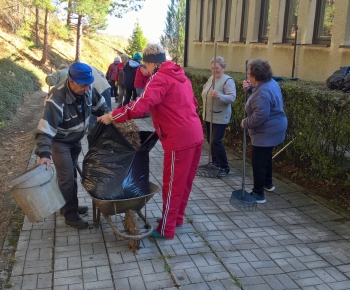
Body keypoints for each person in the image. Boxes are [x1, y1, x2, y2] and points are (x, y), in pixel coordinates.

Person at [98, 43, 204, 239]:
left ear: (152, 63)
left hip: (178, 139)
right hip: (195, 133)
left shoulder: (160, 78)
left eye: (145, 66)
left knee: (172, 185)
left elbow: (141, 106)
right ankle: (176, 218)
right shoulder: (180, 76)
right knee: (184, 182)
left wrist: (113, 115)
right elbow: (194, 104)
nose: (144, 70)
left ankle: (166, 229)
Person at [35, 62, 111, 229]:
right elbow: (45, 129)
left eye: (88, 84)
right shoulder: (56, 98)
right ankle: (71, 215)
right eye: (83, 85)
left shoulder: (88, 89)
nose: (86, 88)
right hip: (60, 142)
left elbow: (101, 108)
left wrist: (111, 118)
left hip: (75, 140)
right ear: (71, 80)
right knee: (67, 178)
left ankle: (69, 206)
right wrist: (44, 154)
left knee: (70, 177)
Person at [241, 58, 288, 203]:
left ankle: (258, 194)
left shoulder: (263, 91)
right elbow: (260, 96)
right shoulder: (270, 83)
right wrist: (250, 89)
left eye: (249, 74)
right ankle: (268, 184)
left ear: (255, 77)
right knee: (266, 157)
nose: (248, 76)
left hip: (266, 131)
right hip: (276, 128)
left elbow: (260, 115)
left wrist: (245, 123)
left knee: (258, 162)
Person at [201, 56, 236, 177]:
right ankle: (215, 162)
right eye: (212, 68)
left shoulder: (227, 81)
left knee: (216, 141)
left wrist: (219, 96)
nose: (214, 70)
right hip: (208, 115)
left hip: (220, 116)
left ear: (223, 67)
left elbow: (232, 97)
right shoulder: (211, 79)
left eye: (217, 68)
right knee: (210, 140)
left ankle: (224, 166)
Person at [88, 66, 112, 132]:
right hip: (104, 86)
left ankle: (95, 129)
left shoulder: (75, 73)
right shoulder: (92, 67)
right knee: (107, 109)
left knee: (93, 109)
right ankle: (108, 128)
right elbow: (102, 74)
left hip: (94, 88)